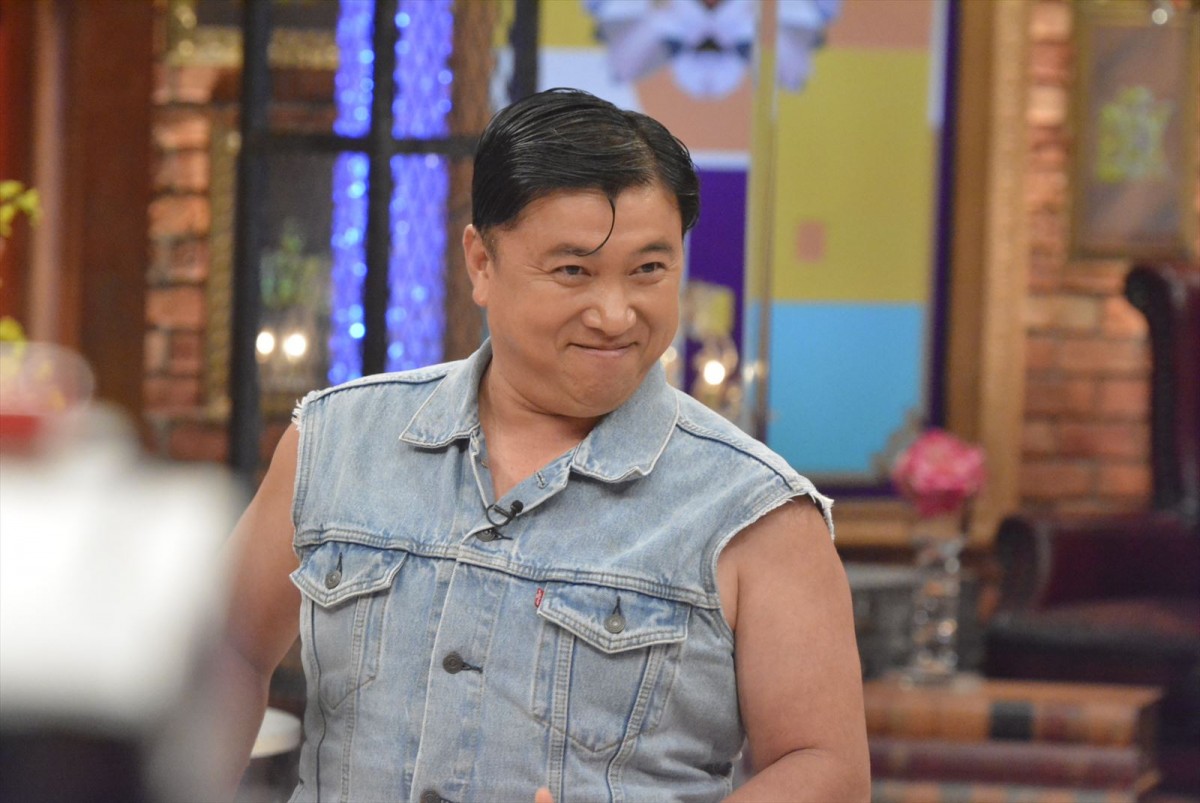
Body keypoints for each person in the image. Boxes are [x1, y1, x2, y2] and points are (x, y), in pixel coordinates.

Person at [218, 87, 869, 803]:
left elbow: (825, 769)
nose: (615, 314)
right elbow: (223, 654)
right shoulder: (336, 441)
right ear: (481, 263)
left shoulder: (757, 511)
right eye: (573, 271)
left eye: (649, 270)